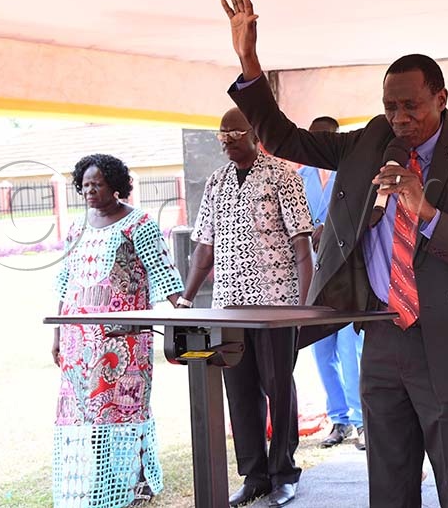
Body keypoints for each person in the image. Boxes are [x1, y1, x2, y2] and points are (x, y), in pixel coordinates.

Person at [220, 0, 448, 508]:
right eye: (390, 106)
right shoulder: (369, 141)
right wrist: (250, 61)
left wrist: (426, 214)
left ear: (441, 98)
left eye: (411, 106)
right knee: (387, 484)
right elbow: (286, 140)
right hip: (381, 338)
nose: (400, 117)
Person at [182, 108, 314, 507]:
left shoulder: (282, 176)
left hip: (276, 305)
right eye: (222, 135)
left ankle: (284, 473)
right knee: (238, 392)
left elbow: (302, 247)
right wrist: (187, 298)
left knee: (278, 387)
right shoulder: (216, 182)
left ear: (254, 133)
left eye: (234, 133)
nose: (226, 141)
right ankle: (254, 475)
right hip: (229, 306)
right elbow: (204, 247)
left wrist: (303, 308)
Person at [52, 154, 184, 508]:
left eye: (97, 184)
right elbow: (65, 281)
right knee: (88, 410)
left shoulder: (137, 223)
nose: (89, 191)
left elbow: (161, 268)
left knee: (127, 407)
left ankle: (139, 481)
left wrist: (181, 306)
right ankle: (104, 480)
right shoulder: (77, 228)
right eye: (85, 185)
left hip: (123, 337)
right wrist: (56, 333)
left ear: (115, 185)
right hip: (79, 337)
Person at [298, 116, 366, 450]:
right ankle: (339, 419)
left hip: (345, 274)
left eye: (324, 139)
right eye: (313, 139)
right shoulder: (299, 178)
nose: (318, 146)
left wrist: (329, 228)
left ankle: (361, 420)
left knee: (349, 347)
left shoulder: (352, 173)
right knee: (320, 349)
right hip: (312, 275)